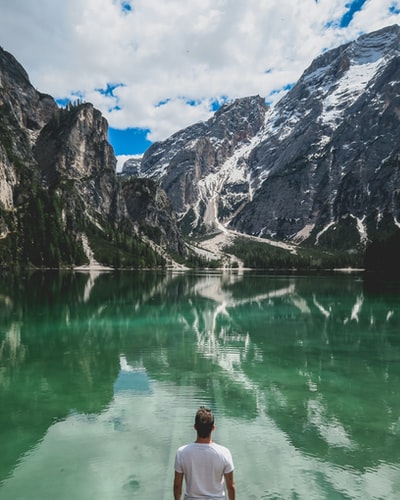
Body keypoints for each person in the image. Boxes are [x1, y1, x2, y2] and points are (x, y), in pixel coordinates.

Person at [173, 406, 236, 500]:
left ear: (195, 427)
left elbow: (177, 486)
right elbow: (230, 486)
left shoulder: (182, 453)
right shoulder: (224, 453)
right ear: (213, 428)